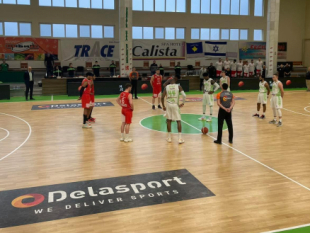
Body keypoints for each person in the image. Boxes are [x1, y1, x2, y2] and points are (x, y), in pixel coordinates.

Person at [161, 75, 186, 144]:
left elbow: (162, 97)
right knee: (178, 121)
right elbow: (184, 95)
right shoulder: (178, 86)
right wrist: (183, 103)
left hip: (168, 104)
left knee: (169, 120)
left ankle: (169, 138)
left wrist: (163, 106)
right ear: (175, 81)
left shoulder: (166, 87)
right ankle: (180, 138)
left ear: (170, 80)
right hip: (175, 105)